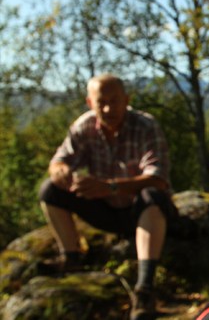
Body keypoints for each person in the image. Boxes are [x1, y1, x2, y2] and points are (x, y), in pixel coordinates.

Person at [38, 73, 177, 320]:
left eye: (115, 101)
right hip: (106, 211)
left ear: (127, 100)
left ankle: (145, 288)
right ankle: (72, 257)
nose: (108, 108)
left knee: (152, 195)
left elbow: (159, 178)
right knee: (50, 190)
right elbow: (59, 159)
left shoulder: (146, 126)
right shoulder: (84, 126)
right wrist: (60, 170)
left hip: (142, 212)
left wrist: (110, 187)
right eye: (101, 101)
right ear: (90, 102)